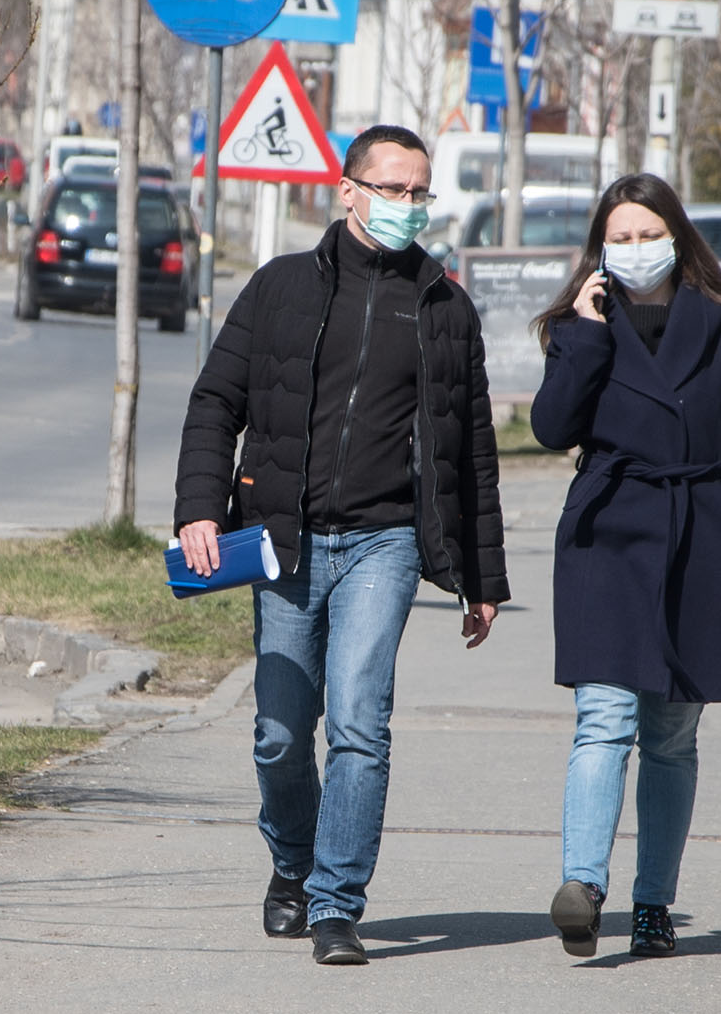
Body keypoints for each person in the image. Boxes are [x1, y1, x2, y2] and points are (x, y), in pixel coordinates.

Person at [174, 125, 508, 967]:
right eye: (392, 189)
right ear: (348, 190)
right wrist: (199, 509)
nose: (408, 206)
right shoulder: (280, 287)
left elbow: (472, 454)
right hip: (283, 543)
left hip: (383, 545)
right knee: (280, 735)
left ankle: (335, 903)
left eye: (419, 192)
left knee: (360, 723)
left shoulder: (443, 306)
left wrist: (480, 576)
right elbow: (217, 400)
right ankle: (291, 862)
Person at [526, 174, 721, 959]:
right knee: (603, 717)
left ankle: (652, 902)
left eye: (649, 233)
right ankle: (583, 885)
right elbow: (549, 427)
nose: (636, 248)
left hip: (700, 539)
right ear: (600, 245)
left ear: (677, 235)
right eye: (622, 236)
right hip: (608, 535)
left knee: (672, 733)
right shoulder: (582, 322)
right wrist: (581, 333)